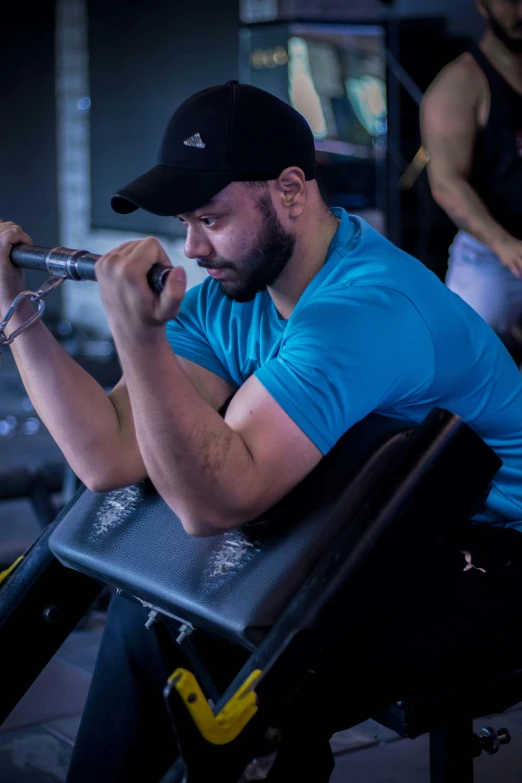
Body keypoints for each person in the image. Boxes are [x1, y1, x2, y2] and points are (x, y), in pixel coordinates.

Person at [3, 80, 522, 782]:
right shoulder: (235, 295)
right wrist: (18, 313)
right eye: (185, 222)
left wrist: (140, 340)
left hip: (494, 559)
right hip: (381, 529)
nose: (194, 248)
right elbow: (109, 452)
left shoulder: (361, 310)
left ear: (290, 191)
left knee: (229, 657)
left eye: (211, 219)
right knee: (150, 617)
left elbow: (216, 498)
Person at [421, 0, 522, 358]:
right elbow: (446, 182)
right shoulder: (460, 85)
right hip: (490, 258)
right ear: (483, 5)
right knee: (462, 360)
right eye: (510, 1)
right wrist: (503, 242)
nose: (520, 11)